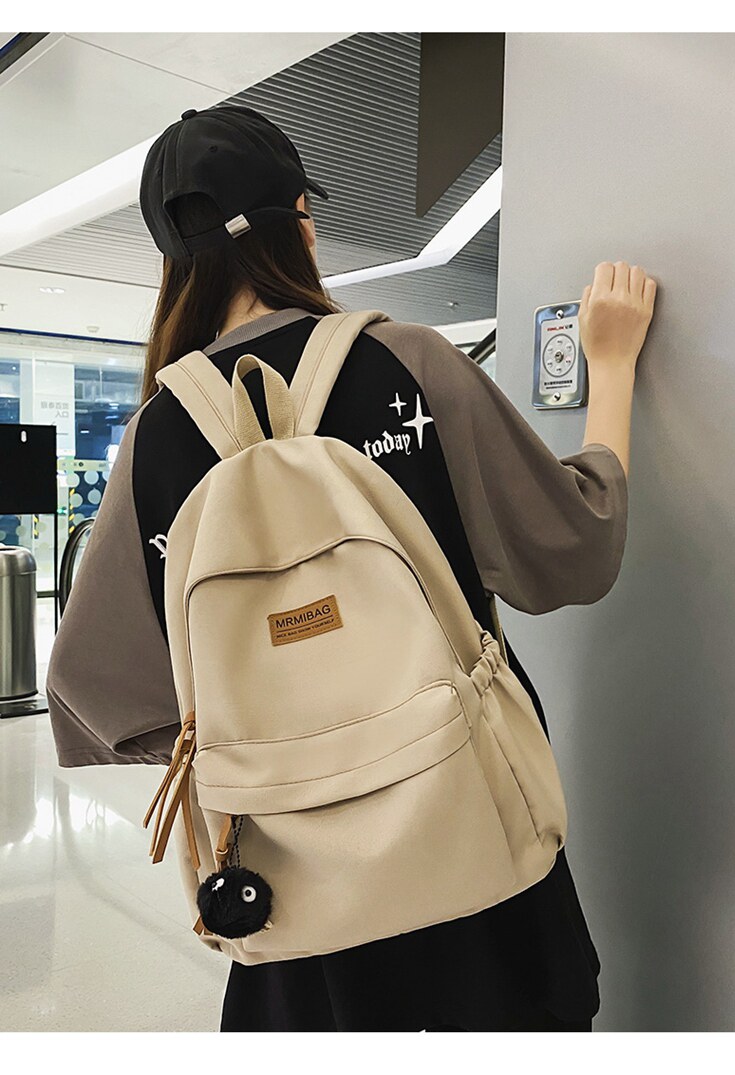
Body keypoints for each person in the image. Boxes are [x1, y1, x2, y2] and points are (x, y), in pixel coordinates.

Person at [45, 103, 656, 1033]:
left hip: (291, 903)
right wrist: (609, 369)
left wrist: (276, 732)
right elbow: (576, 551)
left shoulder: (155, 440)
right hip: (478, 851)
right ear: (299, 220)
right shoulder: (410, 364)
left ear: (174, 263)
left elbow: (95, 692)